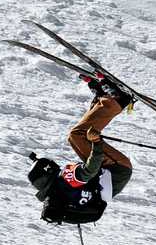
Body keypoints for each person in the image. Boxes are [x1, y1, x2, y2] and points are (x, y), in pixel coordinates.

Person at [27, 80, 135, 224]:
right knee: (77, 136)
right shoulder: (65, 180)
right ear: (48, 171)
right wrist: (96, 143)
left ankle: (102, 100)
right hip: (117, 169)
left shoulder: (60, 193)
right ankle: (118, 100)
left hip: (112, 176)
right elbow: (91, 168)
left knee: (76, 138)